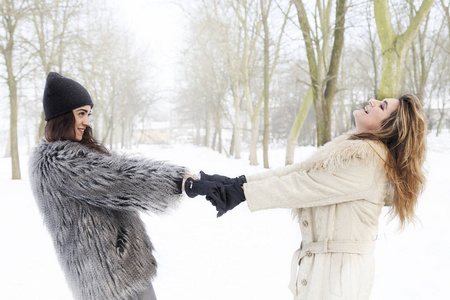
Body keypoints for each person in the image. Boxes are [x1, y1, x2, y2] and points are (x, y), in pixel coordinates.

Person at [185, 94, 427, 299]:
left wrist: (239, 193)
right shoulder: (350, 150)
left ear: (389, 127)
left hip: (339, 276)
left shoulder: (367, 160)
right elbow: (298, 171)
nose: (373, 101)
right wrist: (237, 183)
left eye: (382, 107)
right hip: (327, 269)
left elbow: (302, 185)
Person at [29, 72, 192, 300]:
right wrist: (177, 181)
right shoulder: (58, 163)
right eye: (81, 114)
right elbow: (119, 177)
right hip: (110, 281)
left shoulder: (75, 154)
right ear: (62, 116)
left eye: (89, 114)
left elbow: (117, 166)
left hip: (120, 273)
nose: (87, 122)